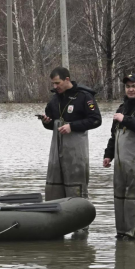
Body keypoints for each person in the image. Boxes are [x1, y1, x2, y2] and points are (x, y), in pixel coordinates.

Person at [40, 67, 102, 201]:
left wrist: (72, 126)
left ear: (67, 79)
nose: (55, 87)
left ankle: (80, 218)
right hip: (57, 153)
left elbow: (96, 120)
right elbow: (51, 125)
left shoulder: (84, 96)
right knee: (54, 192)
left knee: (76, 192)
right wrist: (46, 122)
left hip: (76, 154)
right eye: (53, 84)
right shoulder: (54, 100)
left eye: (58, 83)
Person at [103, 74, 135, 240]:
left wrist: (126, 119)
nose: (130, 89)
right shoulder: (121, 108)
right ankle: (123, 235)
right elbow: (113, 135)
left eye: (134, 86)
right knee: (120, 199)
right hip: (121, 165)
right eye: (128, 86)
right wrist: (108, 155)